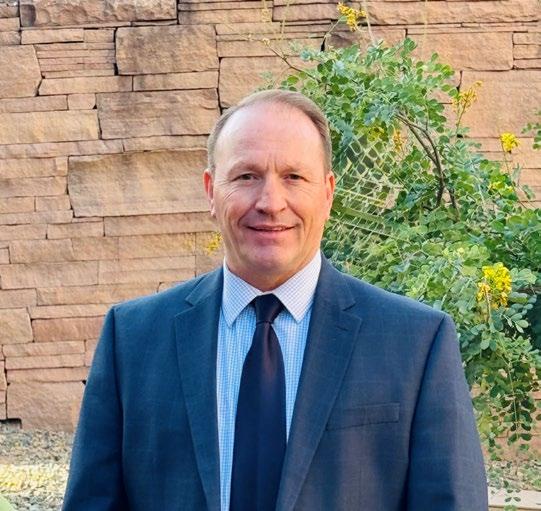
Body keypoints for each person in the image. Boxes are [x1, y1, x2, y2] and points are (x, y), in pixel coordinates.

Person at [63, 90, 488, 510]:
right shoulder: (132, 340)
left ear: (328, 194)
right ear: (211, 191)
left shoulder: (416, 343)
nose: (270, 203)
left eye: (294, 177)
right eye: (246, 176)